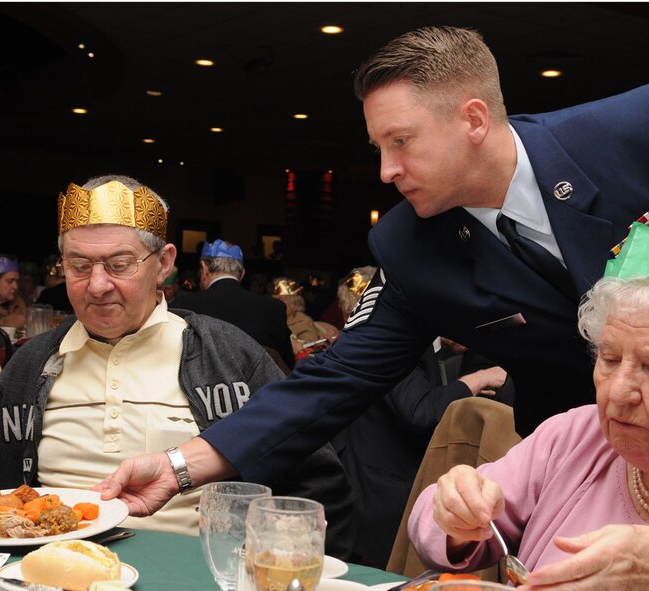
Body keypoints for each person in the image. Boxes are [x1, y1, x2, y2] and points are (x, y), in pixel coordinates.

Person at [95, 26, 649, 521]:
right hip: (582, 480)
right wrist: (178, 466)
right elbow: (338, 376)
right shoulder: (411, 244)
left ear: (474, 119)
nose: (387, 171)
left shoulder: (625, 134)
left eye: (401, 141)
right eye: (379, 147)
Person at [0, 175, 355, 556]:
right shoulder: (32, 363)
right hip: (51, 571)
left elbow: (318, 484)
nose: (97, 285)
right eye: (79, 266)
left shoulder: (228, 355)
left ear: (164, 263)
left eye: (119, 264)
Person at [408, 270, 649, 589]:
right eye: (610, 359)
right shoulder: (576, 434)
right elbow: (429, 527)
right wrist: (456, 514)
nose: (618, 392)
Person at [330, 267, 512, 568]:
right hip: (377, 493)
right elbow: (419, 412)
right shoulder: (393, 341)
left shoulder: (433, 347)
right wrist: (477, 380)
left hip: (375, 484)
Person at [172, 239, 295, 369]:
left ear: (204, 268)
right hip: (259, 389)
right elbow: (286, 364)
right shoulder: (273, 308)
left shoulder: (182, 307)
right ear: (242, 274)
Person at [271, 277, 321, 346]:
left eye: (280, 299)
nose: (273, 303)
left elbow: (307, 344)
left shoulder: (303, 321)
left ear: (295, 304)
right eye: (273, 299)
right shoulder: (269, 318)